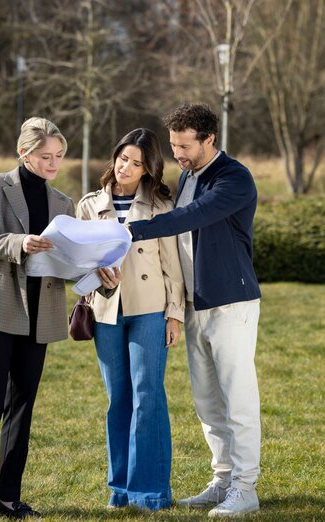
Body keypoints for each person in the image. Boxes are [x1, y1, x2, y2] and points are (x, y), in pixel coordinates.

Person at [126, 103, 262, 517]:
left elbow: (193, 216)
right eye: (173, 146)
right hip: (193, 304)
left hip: (230, 303)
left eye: (186, 146)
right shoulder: (187, 175)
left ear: (209, 139)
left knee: (237, 398)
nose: (178, 155)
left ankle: (246, 487)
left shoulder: (234, 178)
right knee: (207, 400)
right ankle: (222, 479)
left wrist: (132, 230)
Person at [0, 117, 74, 521]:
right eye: (45, 156)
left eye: (58, 156)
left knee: (22, 407)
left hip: (39, 316)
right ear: (24, 154)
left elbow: (66, 259)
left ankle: (8, 499)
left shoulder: (64, 203)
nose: (53, 163)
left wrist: (94, 269)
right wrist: (20, 242)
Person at [75, 128, 185, 511]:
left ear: (147, 169)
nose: (126, 167)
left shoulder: (159, 206)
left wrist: (175, 315)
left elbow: (173, 266)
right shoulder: (89, 205)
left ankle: (151, 492)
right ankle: (120, 490)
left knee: (148, 397)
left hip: (150, 310)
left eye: (137, 163)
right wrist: (94, 277)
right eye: (123, 158)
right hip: (106, 311)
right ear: (115, 157)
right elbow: (78, 263)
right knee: (117, 400)